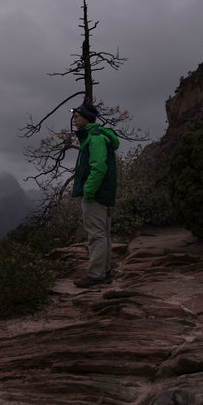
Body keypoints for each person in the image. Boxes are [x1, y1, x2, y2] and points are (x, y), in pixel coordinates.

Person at [70, 103, 119, 288]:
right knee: (103, 234)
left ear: (87, 118)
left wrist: (89, 191)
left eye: (77, 117)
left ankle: (96, 274)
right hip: (104, 193)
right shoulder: (95, 137)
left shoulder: (95, 138)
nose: (74, 120)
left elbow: (99, 167)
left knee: (96, 235)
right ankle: (104, 271)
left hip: (96, 195)